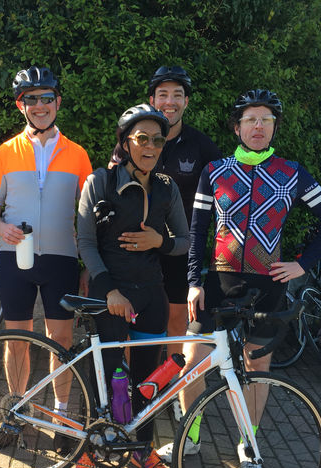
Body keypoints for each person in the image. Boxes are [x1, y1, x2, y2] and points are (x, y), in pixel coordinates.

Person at [159, 89, 321, 468]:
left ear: (274, 127)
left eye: (266, 120)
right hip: (219, 282)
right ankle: (190, 437)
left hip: (268, 284)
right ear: (237, 127)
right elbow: (197, 231)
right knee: (192, 361)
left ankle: (248, 441)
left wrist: (302, 265)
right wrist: (193, 281)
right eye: (250, 119)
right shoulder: (215, 171)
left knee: (256, 366)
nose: (258, 126)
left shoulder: (292, 173)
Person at [72, 104, 190, 468]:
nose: (150, 146)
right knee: (104, 376)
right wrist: (109, 291)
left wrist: (160, 241)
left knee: (147, 380)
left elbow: (185, 241)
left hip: (151, 296)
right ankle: (88, 451)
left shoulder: (167, 188)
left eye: (157, 140)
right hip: (108, 295)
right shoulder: (100, 182)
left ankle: (142, 449)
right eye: (142, 138)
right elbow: (85, 242)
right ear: (126, 142)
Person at [0, 66, 92, 450]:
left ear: (57, 102)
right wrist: (0, 228)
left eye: (47, 98)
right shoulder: (5, 152)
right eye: (32, 99)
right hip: (16, 257)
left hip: (61, 259)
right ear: (21, 105)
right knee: (17, 340)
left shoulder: (78, 155)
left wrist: (88, 265)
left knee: (61, 339)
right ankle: (16, 412)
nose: (40, 106)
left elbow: (90, 217)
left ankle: (60, 418)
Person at [110, 66, 221, 422]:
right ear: (152, 99)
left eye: (177, 95)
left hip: (178, 251)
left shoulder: (201, 146)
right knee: (133, 326)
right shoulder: (133, 139)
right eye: (163, 94)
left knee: (176, 325)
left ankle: (170, 390)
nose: (169, 102)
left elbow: (224, 198)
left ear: (186, 101)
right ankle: (132, 389)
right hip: (135, 251)